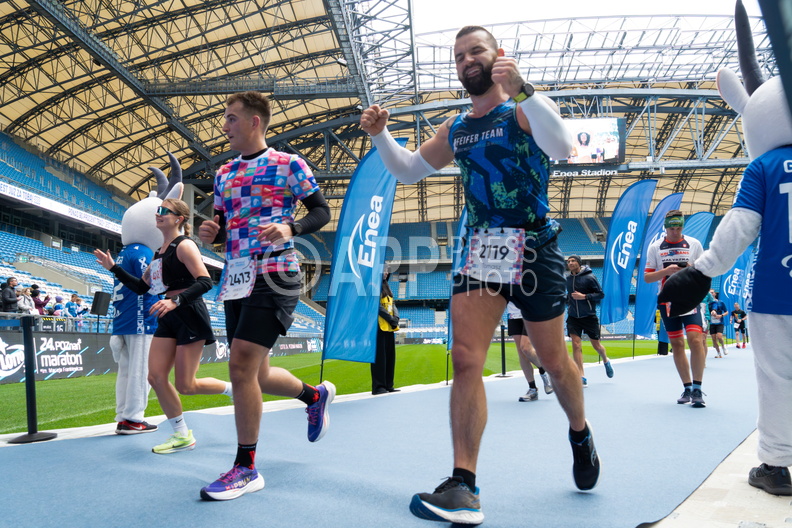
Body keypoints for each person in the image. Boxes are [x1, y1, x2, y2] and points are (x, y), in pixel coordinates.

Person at [361, 26, 598, 524]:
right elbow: (407, 170)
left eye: (477, 51)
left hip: (537, 248)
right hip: (483, 250)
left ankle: (579, 430)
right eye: (459, 55)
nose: (467, 60)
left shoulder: (524, 106)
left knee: (555, 362)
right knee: (466, 358)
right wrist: (381, 133)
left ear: (499, 57)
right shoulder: (457, 128)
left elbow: (560, 148)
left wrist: (525, 89)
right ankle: (463, 484)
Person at [197, 91, 334, 502]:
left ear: (255, 122)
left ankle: (246, 467)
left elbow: (321, 211)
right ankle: (315, 395)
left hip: (275, 275)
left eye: (232, 118)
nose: (225, 125)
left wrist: (291, 229)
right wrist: (213, 234)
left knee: (239, 366)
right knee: (256, 374)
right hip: (236, 279)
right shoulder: (223, 174)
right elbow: (223, 227)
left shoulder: (289, 164)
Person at [95, 198, 233, 452]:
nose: (157, 215)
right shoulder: (159, 251)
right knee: (156, 377)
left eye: (163, 211)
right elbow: (140, 287)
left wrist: (175, 301)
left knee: (186, 385)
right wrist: (113, 268)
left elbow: (205, 282)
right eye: (157, 211)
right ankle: (182, 435)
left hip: (188, 313)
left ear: (178, 218)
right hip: (167, 314)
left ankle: (231, 389)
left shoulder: (185, 245)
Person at [644, 210, 706, 407]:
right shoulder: (655, 247)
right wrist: (667, 271)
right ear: (666, 227)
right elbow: (647, 277)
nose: (675, 231)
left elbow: (705, 272)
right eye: (672, 228)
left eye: (678, 227)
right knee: (677, 345)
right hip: (667, 301)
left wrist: (690, 268)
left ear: (682, 227)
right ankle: (687, 387)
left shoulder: (694, 244)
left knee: (696, 340)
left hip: (690, 299)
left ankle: (698, 389)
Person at [565, 255, 612, 385]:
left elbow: (601, 294)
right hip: (573, 316)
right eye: (568, 261)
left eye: (573, 261)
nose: (570, 263)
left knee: (596, 346)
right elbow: (569, 296)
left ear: (579, 263)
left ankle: (605, 360)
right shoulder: (568, 279)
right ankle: (581, 375)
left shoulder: (590, 277)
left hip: (589, 316)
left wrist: (584, 296)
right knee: (576, 344)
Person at [506, 302, 553, 401]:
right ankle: (532, 389)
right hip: (513, 314)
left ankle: (543, 370)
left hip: (530, 312)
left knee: (525, 347)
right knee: (521, 352)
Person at [372, 269, 399, 395]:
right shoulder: (372, 286)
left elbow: (393, 304)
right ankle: (378, 387)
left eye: (387, 270)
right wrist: (390, 319)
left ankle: (389, 385)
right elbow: (377, 306)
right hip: (378, 326)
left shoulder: (387, 287)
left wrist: (396, 319)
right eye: (383, 270)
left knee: (389, 357)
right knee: (380, 358)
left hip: (389, 327)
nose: (386, 272)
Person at [708, 290, 728, 358]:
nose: (711, 293)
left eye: (712, 292)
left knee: (719, 336)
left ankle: (723, 347)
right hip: (712, 323)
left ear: (715, 294)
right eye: (710, 292)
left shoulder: (720, 302)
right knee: (714, 339)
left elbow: (726, 312)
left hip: (720, 322)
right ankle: (718, 353)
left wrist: (721, 315)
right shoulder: (708, 303)